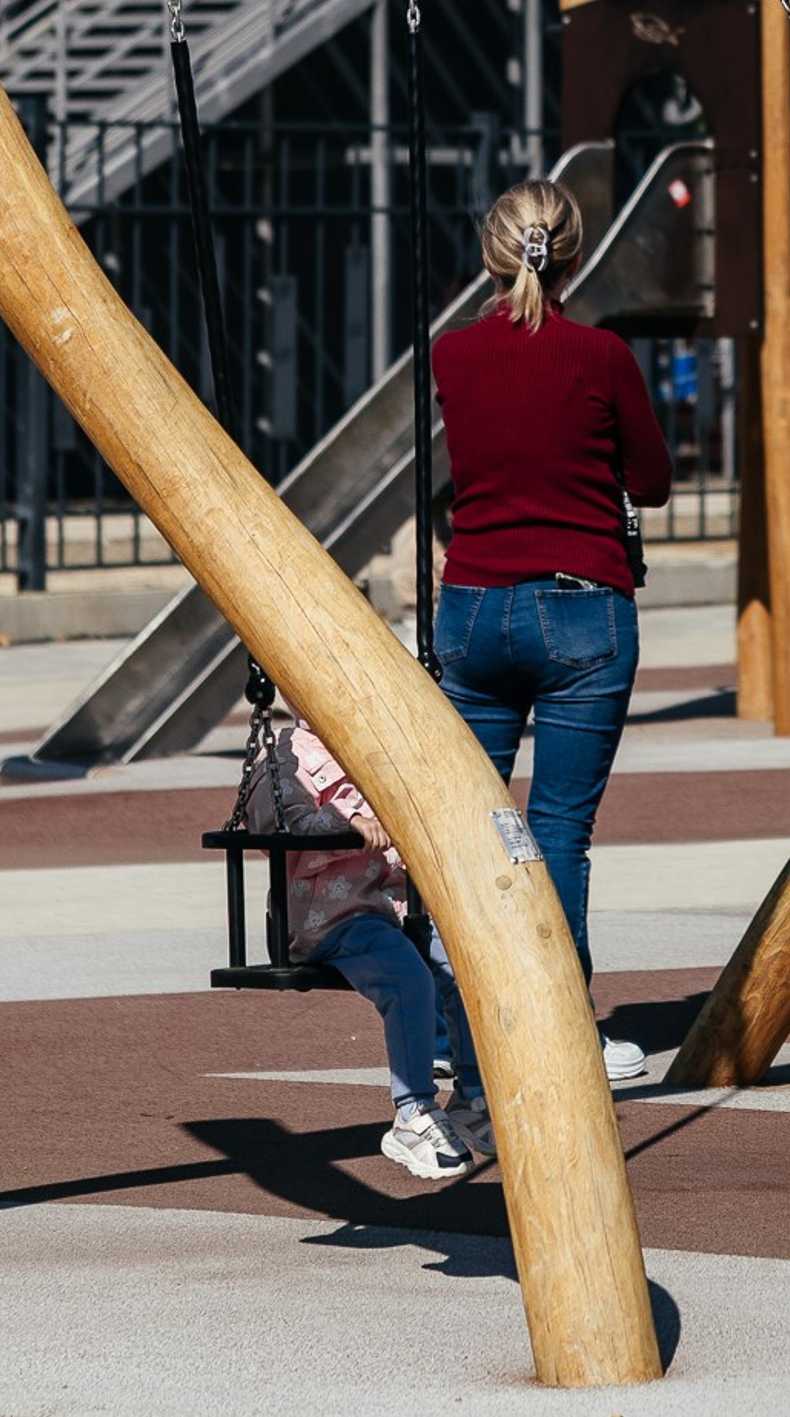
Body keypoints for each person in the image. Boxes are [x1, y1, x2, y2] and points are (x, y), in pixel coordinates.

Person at [432, 177, 672, 1085]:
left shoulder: (452, 354)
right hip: (581, 605)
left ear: (489, 254)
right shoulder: (601, 355)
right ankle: (565, 1025)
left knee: (471, 826)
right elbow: (650, 480)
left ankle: (458, 1028)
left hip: (473, 603)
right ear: (575, 254)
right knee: (559, 830)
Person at [243, 716, 483, 1182]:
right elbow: (277, 820)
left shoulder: (377, 748)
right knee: (408, 980)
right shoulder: (287, 754)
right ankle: (413, 1111)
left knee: (466, 965)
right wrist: (350, 820)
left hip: (390, 906)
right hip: (326, 917)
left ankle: (473, 1096)